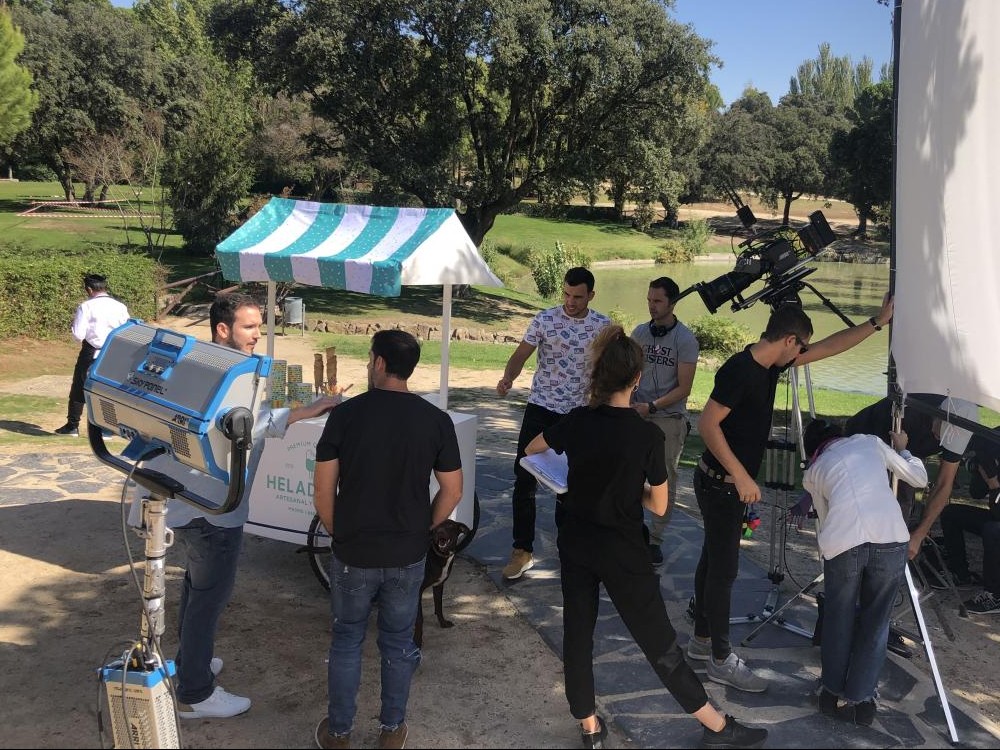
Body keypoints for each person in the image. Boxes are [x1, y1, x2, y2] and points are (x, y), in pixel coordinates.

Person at [525, 326, 767, 750]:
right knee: (659, 643)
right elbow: (658, 505)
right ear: (636, 379)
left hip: (576, 543)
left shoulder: (577, 421)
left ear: (599, 375)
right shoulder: (646, 436)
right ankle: (716, 727)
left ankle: (589, 727)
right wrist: (628, 488)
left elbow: (532, 448)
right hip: (623, 551)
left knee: (578, 634)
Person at [134, 293, 343, 719]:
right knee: (208, 598)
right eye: (249, 327)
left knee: (197, 588)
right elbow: (240, 429)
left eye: (259, 326)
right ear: (222, 329)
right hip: (210, 508)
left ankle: (191, 661)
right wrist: (306, 411)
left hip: (184, 501)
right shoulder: (228, 375)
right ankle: (195, 693)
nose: (257, 335)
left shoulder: (198, 365)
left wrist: (302, 406)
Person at [687, 296, 894, 693]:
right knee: (723, 572)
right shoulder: (740, 370)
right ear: (789, 340)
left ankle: (701, 642)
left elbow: (829, 347)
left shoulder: (772, 366)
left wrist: (876, 322)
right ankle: (720, 659)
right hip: (720, 484)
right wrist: (741, 477)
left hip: (724, 484)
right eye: (802, 346)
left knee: (712, 563)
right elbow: (707, 425)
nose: (804, 354)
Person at [312, 330, 463, 750]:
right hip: (407, 551)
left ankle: (338, 733)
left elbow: (323, 490)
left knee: (347, 640)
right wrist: (425, 528)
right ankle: (392, 730)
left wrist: (336, 529)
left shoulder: (345, 415)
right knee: (397, 643)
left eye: (369, 358)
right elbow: (452, 491)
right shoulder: (435, 420)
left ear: (379, 362)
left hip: (354, 549)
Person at [801, 418, 928, 726]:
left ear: (814, 447)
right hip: (890, 536)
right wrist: (904, 449)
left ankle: (830, 692)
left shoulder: (813, 472)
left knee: (838, 617)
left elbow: (825, 518)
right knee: (876, 621)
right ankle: (861, 701)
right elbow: (919, 478)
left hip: (844, 542)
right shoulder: (870, 443)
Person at [496, 266, 611, 580]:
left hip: (578, 415)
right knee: (524, 478)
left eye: (578, 297)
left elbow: (612, 368)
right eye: (566, 294)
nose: (570, 302)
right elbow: (521, 354)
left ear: (591, 295)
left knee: (571, 484)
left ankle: (569, 548)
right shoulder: (544, 319)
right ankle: (522, 550)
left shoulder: (603, 326)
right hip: (540, 408)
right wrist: (508, 378)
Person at [845, 393, 978, 560]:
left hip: (908, 449)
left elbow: (944, 483)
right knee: (883, 503)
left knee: (905, 506)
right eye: (941, 433)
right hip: (868, 440)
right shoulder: (906, 414)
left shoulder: (962, 427)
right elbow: (893, 477)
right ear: (938, 414)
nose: (941, 440)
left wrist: (919, 534)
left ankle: (894, 554)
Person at [629, 276, 699, 564]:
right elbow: (629, 369)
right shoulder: (639, 333)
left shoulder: (686, 340)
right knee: (629, 474)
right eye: (649, 300)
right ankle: (631, 528)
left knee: (664, 478)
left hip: (668, 418)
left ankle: (655, 538)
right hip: (636, 413)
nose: (652, 306)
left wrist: (652, 406)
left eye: (657, 301)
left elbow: (684, 388)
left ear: (672, 302)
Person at [55, 273, 130, 436]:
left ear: (89, 289)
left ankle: (72, 425)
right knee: (107, 389)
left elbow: (78, 335)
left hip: (91, 351)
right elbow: (127, 331)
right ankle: (108, 428)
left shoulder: (86, 306)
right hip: (113, 352)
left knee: (79, 387)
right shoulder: (120, 307)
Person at [937, 428, 1000, 614]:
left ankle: (995, 595)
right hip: (996, 513)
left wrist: (994, 485)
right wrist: (982, 468)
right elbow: (976, 493)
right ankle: (961, 573)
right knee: (951, 513)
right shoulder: (991, 448)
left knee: (993, 530)